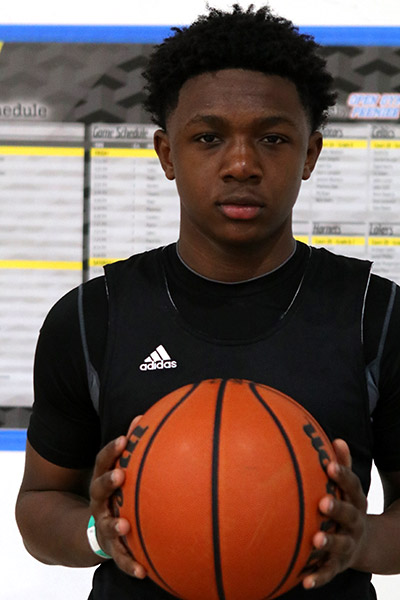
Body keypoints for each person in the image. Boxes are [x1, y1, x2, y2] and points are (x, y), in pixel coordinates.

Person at [15, 4, 400, 600]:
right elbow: (40, 504)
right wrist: (98, 532)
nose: (241, 164)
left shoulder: (378, 315)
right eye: (208, 137)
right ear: (167, 154)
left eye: (273, 138)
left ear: (310, 155)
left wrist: (363, 540)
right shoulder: (91, 318)